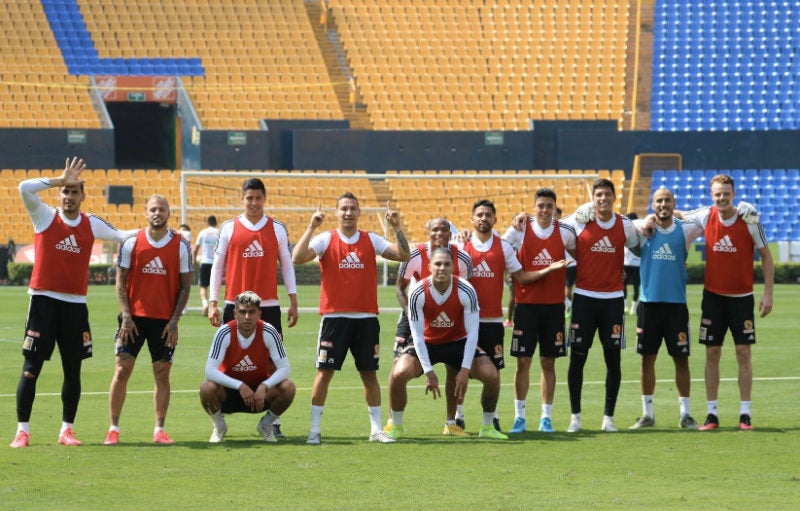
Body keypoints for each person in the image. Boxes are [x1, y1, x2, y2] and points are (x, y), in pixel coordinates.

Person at [10, 157, 137, 448]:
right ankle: (23, 430)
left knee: (73, 369)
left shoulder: (90, 223)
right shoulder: (44, 216)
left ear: (82, 195)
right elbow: (24, 187)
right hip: (43, 302)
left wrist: (157, 231)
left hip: (75, 306)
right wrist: (59, 178)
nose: (68, 196)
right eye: (65, 191)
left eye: (74, 191)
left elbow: (121, 235)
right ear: (59, 195)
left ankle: (67, 430)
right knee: (31, 368)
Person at [292, 194, 410, 444]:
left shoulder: (371, 239)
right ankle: (314, 430)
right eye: (343, 208)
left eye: (352, 208)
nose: (348, 213)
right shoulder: (326, 239)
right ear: (336, 213)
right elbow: (297, 258)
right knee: (323, 373)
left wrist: (397, 226)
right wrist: (312, 226)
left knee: (369, 374)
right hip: (335, 319)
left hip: (366, 319)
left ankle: (376, 430)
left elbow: (403, 255)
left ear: (359, 212)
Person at [681, 174, 773, 431]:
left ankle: (745, 414)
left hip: (742, 299)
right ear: (712, 196)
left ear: (733, 194)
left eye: (726, 193)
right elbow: (677, 214)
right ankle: (712, 414)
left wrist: (768, 293)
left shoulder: (750, 218)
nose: (721, 198)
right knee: (712, 353)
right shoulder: (706, 215)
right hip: (713, 298)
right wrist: (653, 216)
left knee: (743, 353)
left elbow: (766, 256)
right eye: (717, 194)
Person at [386, 247, 508, 440]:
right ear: (429, 266)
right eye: (438, 264)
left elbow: (472, 332)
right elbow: (417, 336)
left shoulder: (466, 290)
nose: (442, 268)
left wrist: (465, 370)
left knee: (492, 376)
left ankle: (487, 427)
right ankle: (396, 426)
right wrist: (428, 370)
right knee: (398, 373)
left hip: (457, 342)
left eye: (447, 264)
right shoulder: (418, 292)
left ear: (453, 267)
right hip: (427, 343)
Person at [208, 178, 298, 437]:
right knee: (227, 359)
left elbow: (287, 265)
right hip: (233, 305)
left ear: (264, 199)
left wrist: (293, 300)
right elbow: (217, 267)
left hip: (268, 304)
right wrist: (213, 302)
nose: (254, 202)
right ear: (242, 198)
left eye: (258, 198)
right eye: (250, 198)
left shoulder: (277, 229)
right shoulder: (228, 228)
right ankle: (220, 416)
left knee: (273, 362)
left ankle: (273, 420)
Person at [462, 198, 562, 432]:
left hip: (494, 321)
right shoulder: (461, 246)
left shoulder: (503, 247)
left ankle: (495, 418)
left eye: (488, 215)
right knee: (458, 369)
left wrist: (548, 269)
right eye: (480, 215)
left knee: (495, 373)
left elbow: (522, 275)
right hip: (465, 321)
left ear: (495, 219)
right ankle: (457, 418)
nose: (484, 218)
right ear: (472, 219)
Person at [104, 195, 193, 445]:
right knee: (122, 370)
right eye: (153, 209)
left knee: (162, 375)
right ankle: (113, 428)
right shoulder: (131, 242)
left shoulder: (181, 245)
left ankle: (159, 430)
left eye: (161, 209)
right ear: (146, 213)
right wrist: (126, 317)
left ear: (168, 213)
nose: (157, 213)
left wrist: (175, 321)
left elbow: (186, 287)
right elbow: (121, 282)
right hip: (132, 321)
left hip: (164, 322)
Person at [561, 178, 640, 433]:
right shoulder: (580, 221)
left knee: (613, 360)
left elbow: (640, 249)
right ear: (593, 198)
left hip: (613, 301)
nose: (603, 198)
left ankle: (608, 418)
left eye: (607, 194)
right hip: (583, 299)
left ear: (614, 197)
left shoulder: (625, 225)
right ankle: (576, 418)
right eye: (598, 195)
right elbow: (553, 233)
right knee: (577, 359)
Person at [386, 217, 473, 435]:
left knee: (454, 364)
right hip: (414, 313)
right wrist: (411, 314)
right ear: (427, 231)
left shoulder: (461, 257)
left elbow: (466, 288)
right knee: (399, 367)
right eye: (435, 230)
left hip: (449, 315)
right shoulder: (414, 255)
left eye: (444, 230)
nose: (440, 234)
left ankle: (451, 422)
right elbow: (399, 289)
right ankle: (393, 421)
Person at [627, 188, 703, 430]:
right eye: (659, 201)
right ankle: (647, 414)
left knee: (681, 360)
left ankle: (686, 414)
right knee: (646, 359)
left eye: (667, 201)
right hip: (648, 306)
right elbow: (626, 224)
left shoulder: (685, 230)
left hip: (676, 306)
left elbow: (704, 216)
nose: (663, 205)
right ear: (653, 204)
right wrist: (645, 220)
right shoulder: (643, 231)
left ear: (674, 203)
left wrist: (679, 213)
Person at [502, 189, 574, 433]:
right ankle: (519, 417)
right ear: (533, 207)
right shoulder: (521, 228)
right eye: (540, 205)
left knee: (548, 362)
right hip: (526, 307)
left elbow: (582, 253)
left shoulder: (564, 231)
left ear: (555, 207)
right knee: (523, 361)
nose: (544, 210)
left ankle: (546, 418)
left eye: (549, 206)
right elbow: (501, 246)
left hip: (554, 308)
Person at [199, 291, 296, 443]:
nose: (247, 317)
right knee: (206, 388)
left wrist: (265, 386)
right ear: (235, 313)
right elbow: (209, 371)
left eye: (252, 312)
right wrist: (240, 386)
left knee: (288, 387)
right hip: (229, 393)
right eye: (242, 312)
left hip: (259, 395)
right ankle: (219, 426)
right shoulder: (224, 332)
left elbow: (285, 369)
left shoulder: (269, 331)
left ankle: (266, 424)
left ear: (259, 314)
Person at [193, 215, 220, 316]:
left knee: (203, 286)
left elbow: (196, 248)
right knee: (215, 286)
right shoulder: (219, 232)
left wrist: (194, 260)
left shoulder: (203, 232)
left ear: (207, 223)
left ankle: (204, 304)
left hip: (205, 261)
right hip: (216, 263)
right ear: (216, 223)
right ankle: (213, 306)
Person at [623, 212, 641, 315]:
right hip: (637, 264)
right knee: (636, 286)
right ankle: (632, 308)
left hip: (627, 263)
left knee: (624, 285)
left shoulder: (627, 230)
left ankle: (626, 306)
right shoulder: (641, 231)